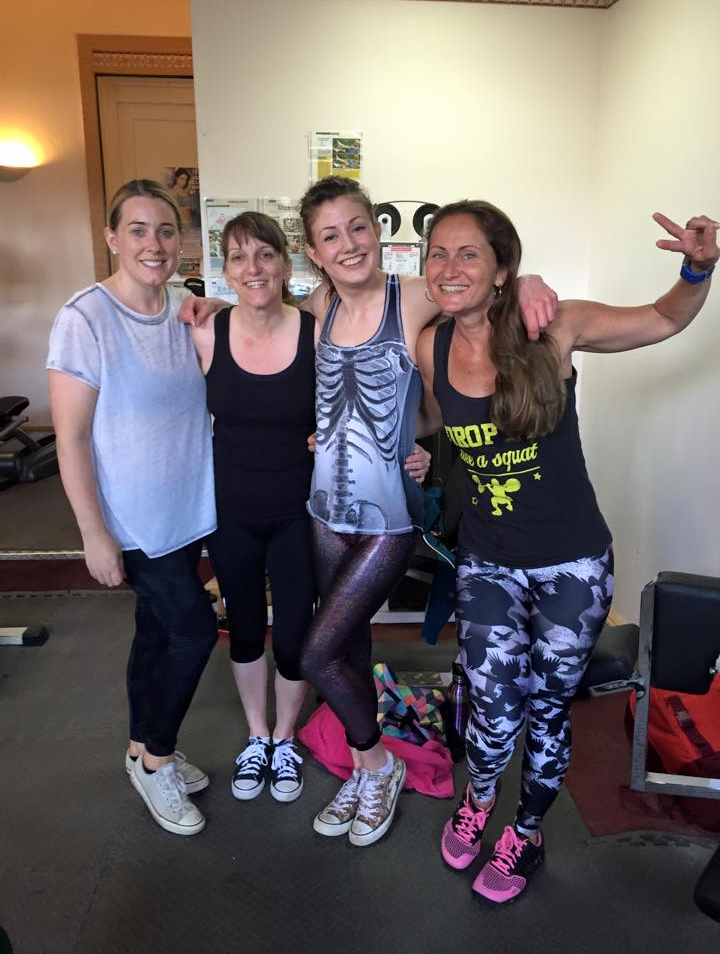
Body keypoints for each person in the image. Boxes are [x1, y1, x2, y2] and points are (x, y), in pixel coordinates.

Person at [414, 199, 718, 901]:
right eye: (438, 253)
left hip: (571, 565)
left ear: (500, 270)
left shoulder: (552, 326)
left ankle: (526, 833)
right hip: (489, 561)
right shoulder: (430, 345)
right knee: (492, 705)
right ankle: (478, 800)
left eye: (468, 253)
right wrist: (406, 446)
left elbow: (663, 318)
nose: (449, 267)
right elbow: (432, 415)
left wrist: (697, 270)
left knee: (547, 709)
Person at [295, 176, 555, 848]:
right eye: (330, 236)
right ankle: (363, 770)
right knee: (348, 648)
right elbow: (262, 318)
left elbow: (479, 300)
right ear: (314, 252)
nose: (348, 244)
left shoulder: (412, 297)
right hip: (325, 509)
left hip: (387, 517)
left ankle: (379, 766)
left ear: (377, 230)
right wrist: (206, 309)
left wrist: (526, 280)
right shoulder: (319, 303)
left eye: (358, 227)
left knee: (315, 654)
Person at [185, 209, 431, 806]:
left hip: (301, 510)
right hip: (230, 511)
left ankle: (286, 737)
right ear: (225, 269)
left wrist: (412, 441)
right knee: (245, 628)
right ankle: (258, 736)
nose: (253, 267)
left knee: (298, 635)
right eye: (238, 257)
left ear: (287, 261)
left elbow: (366, 392)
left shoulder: (315, 324)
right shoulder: (204, 333)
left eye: (265, 253)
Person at [47, 179, 218, 837]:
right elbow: (69, 437)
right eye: (139, 230)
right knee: (194, 630)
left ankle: (140, 746)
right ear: (113, 237)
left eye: (166, 230)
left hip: (186, 511)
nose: (154, 243)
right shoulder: (85, 318)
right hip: (133, 521)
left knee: (156, 631)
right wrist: (93, 533)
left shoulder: (186, 308)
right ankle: (158, 760)